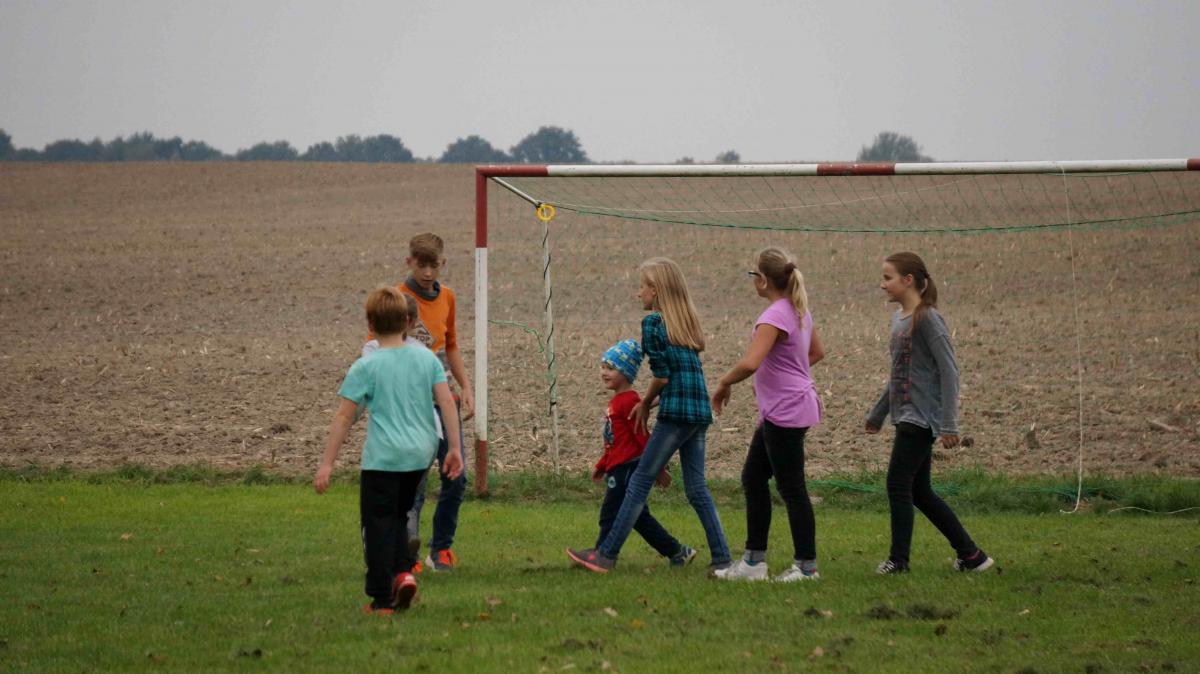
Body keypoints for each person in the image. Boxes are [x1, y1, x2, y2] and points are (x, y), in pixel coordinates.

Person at [567, 257, 731, 573]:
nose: (638, 293)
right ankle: (722, 559)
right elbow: (683, 376)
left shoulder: (653, 323)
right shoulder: (686, 323)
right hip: (698, 411)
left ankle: (606, 555)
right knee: (697, 489)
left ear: (655, 290)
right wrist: (652, 402)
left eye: (641, 286)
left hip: (676, 414)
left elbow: (664, 376)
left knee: (639, 482)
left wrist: (645, 402)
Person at [314, 287, 463, 614]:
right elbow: (447, 402)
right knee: (397, 516)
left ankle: (382, 598)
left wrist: (327, 463)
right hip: (420, 456)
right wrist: (454, 448)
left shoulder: (366, 366)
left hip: (384, 459)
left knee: (377, 524)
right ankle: (403, 574)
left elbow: (344, 417)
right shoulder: (427, 359)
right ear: (408, 322)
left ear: (370, 323)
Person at [865, 252, 993, 574]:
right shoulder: (899, 319)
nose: (882, 285)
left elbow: (949, 371)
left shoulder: (928, 319)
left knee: (897, 484)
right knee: (919, 492)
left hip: (921, 417)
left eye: (888, 278)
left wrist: (949, 424)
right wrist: (878, 414)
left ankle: (898, 561)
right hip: (905, 415)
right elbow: (900, 374)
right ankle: (972, 556)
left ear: (908, 280)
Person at [711, 248, 825, 582]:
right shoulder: (798, 310)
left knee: (792, 489)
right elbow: (816, 352)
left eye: (753, 274)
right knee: (753, 478)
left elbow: (750, 362)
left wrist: (723, 383)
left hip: (785, 412)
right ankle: (753, 563)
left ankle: (806, 567)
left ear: (762, 280)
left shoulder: (774, 316)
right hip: (785, 409)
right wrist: (787, 373)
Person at [397, 232, 474, 572]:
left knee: (456, 476)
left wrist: (466, 387)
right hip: (411, 405)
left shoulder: (448, 297)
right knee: (414, 480)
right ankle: (407, 554)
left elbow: (451, 345)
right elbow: (378, 347)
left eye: (434, 266)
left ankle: (441, 549)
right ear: (409, 262)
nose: (428, 273)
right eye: (421, 265)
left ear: (443, 263)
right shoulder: (396, 299)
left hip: (445, 401)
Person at [590, 339, 696, 566]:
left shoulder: (628, 401)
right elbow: (614, 441)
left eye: (611, 368)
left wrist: (658, 469)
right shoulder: (618, 401)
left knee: (610, 512)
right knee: (638, 517)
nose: (604, 372)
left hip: (627, 469)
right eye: (603, 366)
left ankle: (600, 554)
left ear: (626, 372)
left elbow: (642, 437)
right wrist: (602, 465)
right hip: (618, 467)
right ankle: (678, 552)